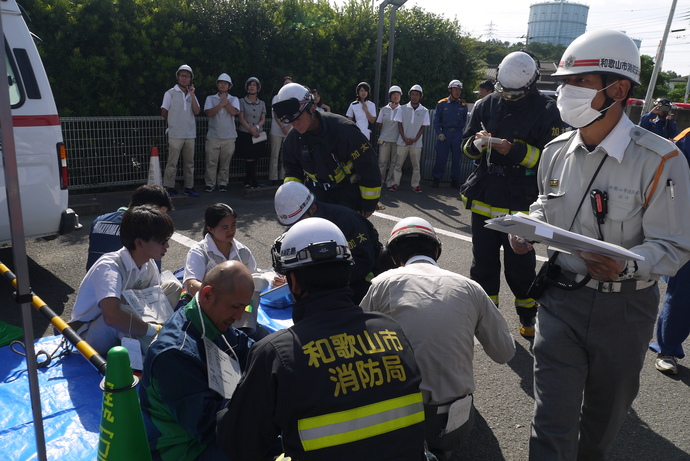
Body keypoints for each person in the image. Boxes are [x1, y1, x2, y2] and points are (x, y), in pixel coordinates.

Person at [507, 30, 690, 460]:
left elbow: (675, 245)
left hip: (624, 311)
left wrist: (628, 265)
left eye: (579, 82)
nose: (565, 91)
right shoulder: (555, 151)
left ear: (619, 89)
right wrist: (526, 228)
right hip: (560, 299)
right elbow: (542, 206)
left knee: (601, 426)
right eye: (564, 81)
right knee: (551, 421)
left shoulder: (661, 159)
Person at [216, 218, 426, 460]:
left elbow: (238, 443)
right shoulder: (392, 330)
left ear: (293, 282)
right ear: (347, 272)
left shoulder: (277, 353)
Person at [361, 217, 515, 461]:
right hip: (452, 423)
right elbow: (504, 353)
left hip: (397, 418)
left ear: (392, 256)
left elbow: (357, 345)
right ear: (436, 250)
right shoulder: (470, 287)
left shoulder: (382, 283)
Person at [460, 51, 565, 337]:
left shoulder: (548, 110)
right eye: (503, 92)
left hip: (521, 200)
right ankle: (487, 319)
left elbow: (553, 159)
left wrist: (515, 151)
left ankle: (528, 317)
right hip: (485, 193)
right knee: (483, 265)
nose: (507, 98)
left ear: (530, 84)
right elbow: (465, 146)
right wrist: (477, 144)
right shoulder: (485, 104)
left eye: (514, 95)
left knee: (520, 267)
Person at [140, 261, 255, 461]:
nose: (238, 317)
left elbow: (253, 350)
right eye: (235, 307)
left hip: (205, 429)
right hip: (183, 450)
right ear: (207, 294)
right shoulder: (174, 355)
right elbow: (209, 427)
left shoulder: (206, 319)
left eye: (244, 307)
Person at [70, 205, 180, 356]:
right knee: (120, 310)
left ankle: (157, 339)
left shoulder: (149, 263)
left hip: (134, 319)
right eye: (163, 241)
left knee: (173, 287)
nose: (167, 246)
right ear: (140, 243)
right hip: (91, 336)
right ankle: (160, 353)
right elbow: (111, 318)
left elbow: (152, 301)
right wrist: (153, 330)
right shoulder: (109, 266)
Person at [272, 82, 382, 218]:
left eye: (299, 119)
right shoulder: (292, 140)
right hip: (316, 198)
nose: (295, 125)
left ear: (312, 108)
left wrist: (369, 204)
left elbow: (368, 165)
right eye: (291, 121)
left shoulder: (343, 130)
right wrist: (295, 200)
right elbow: (292, 171)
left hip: (347, 196)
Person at [274, 181, 381, 303]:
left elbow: (363, 263)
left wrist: (310, 282)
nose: (294, 228)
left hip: (360, 284)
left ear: (313, 209)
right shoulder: (302, 222)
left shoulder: (346, 221)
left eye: (297, 222)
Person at [183, 203, 264, 337]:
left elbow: (254, 276)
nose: (231, 231)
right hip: (211, 306)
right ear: (210, 229)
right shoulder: (199, 252)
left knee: (253, 291)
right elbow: (191, 283)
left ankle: (246, 330)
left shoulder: (242, 251)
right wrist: (220, 295)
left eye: (233, 225)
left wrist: (272, 281)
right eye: (225, 227)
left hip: (236, 309)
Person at [648, 126, 690, 374]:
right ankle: (668, 349)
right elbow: (668, 183)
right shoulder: (685, 140)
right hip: (686, 227)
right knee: (684, 292)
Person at [86, 184, 173, 271]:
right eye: (161, 214)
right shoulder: (147, 227)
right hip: (124, 281)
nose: (162, 220)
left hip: (92, 277)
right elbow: (154, 271)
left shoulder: (99, 221)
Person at [161, 64, 200, 197]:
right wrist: (173, 123)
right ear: (177, 77)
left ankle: (189, 187)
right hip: (175, 134)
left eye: (187, 76)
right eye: (182, 75)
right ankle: (169, 187)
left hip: (190, 133)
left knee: (189, 162)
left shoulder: (191, 94)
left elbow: (197, 111)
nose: (184, 78)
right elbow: (164, 111)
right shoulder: (170, 93)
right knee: (172, 162)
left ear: (191, 79)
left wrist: (192, 94)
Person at [203, 73, 240, 193]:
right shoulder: (210, 98)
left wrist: (226, 102)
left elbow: (234, 112)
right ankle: (210, 184)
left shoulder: (234, 99)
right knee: (211, 162)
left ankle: (223, 183)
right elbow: (209, 113)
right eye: (221, 83)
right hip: (213, 135)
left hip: (229, 136)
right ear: (217, 84)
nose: (223, 85)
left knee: (225, 162)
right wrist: (221, 104)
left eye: (225, 83)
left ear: (229, 86)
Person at [389, 84, 429, 194]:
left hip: (416, 143)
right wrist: (404, 137)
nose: (414, 97)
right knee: (398, 164)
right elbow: (399, 124)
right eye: (413, 94)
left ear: (420, 96)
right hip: (402, 141)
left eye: (417, 95)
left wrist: (415, 138)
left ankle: (415, 185)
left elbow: (423, 127)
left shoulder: (424, 110)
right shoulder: (402, 108)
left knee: (416, 166)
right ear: (409, 95)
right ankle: (395, 183)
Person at [431, 80, 469, 189]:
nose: (458, 92)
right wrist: (439, 133)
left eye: (459, 90)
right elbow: (436, 121)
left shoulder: (463, 104)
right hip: (445, 134)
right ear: (450, 90)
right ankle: (436, 179)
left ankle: (455, 181)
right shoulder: (441, 103)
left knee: (457, 159)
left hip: (457, 134)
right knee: (441, 158)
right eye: (455, 90)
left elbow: (464, 120)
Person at [237, 77, 267, 189]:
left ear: (258, 88)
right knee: (248, 157)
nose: (252, 86)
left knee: (255, 157)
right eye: (250, 85)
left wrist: (257, 127)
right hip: (245, 133)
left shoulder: (262, 103)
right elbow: (241, 118)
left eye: (254, 85)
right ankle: (251, 181)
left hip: (258, 133)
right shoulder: (242, 101)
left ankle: (248, 180)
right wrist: (250, 129)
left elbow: (263, 118)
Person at [268, 76, 293, 186]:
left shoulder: (294, 99)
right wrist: (283, 126)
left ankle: (284, 177)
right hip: (277, 130)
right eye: (285, 83)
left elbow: (295, 114)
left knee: (286, 155)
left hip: (289, 131)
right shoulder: (276, 97)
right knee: (274, 154)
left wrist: (288, 127)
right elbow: (275, 113)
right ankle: (273, 178)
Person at [376, 85, 401, 188]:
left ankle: (390, 181)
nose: (395, 96)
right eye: (394, 94)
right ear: (390, 96)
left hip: (397, 140)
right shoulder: (384, 109)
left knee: (394, 163)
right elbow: (380, 123)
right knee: (382, 162)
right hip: (384, 139)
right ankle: (380, 181)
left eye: (398, 95)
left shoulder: (402, 110)